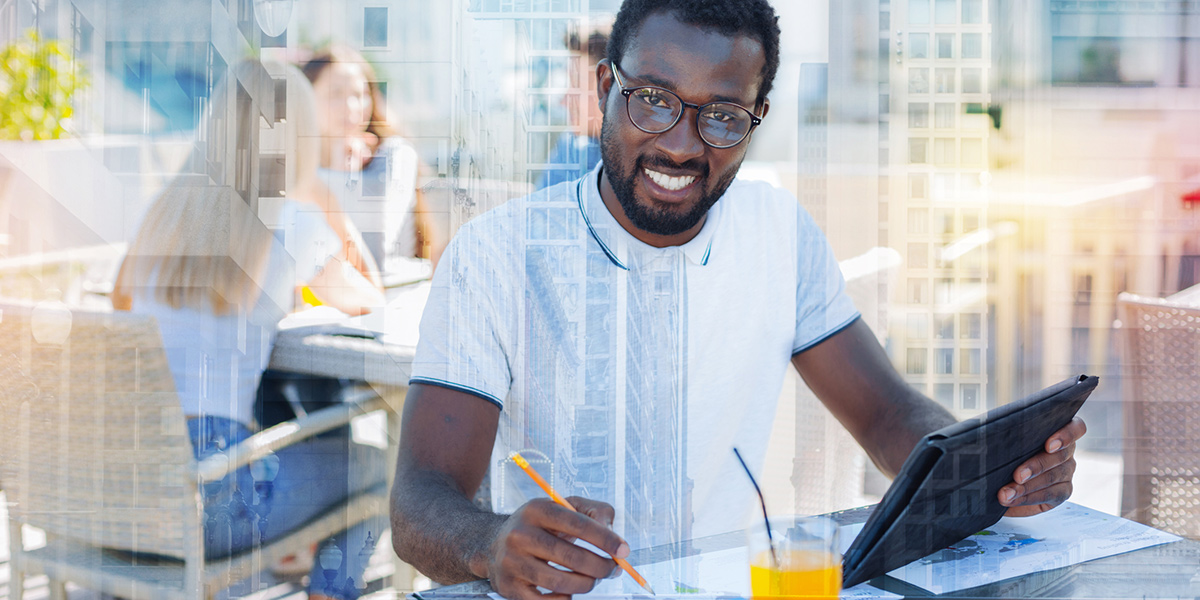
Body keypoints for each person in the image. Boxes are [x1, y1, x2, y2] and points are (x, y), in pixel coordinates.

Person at [389, 1, 1088, 598]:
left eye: (722, 115)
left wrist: (988, 471)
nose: (682, 145)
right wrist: (491, 543)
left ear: (757, 117)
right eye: (653, 100)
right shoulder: (498, 255)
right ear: (606, 86)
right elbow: (420, 502)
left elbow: (888, 416)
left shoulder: (777, 232)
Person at [112, 62, 385, 600]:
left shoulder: (158, 214)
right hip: (213, 504)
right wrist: (324, 198)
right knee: (376, 467)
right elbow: (370, 301)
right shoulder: (287, 220)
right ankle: (330, 592)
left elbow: (124, 306)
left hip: (125, 495)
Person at [302, 45, 443, 275]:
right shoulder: (297, 162)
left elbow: (371, 251)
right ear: (306, 99)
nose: (351, 107)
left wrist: (345, 178)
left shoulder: (395, 154)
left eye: (359, 95)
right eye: (335, 94)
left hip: (391, 295)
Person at [534, 22, 609, 190]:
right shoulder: (571, 147)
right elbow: (538, 209)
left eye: (577, 84)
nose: (565, 100)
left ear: (609, 87)